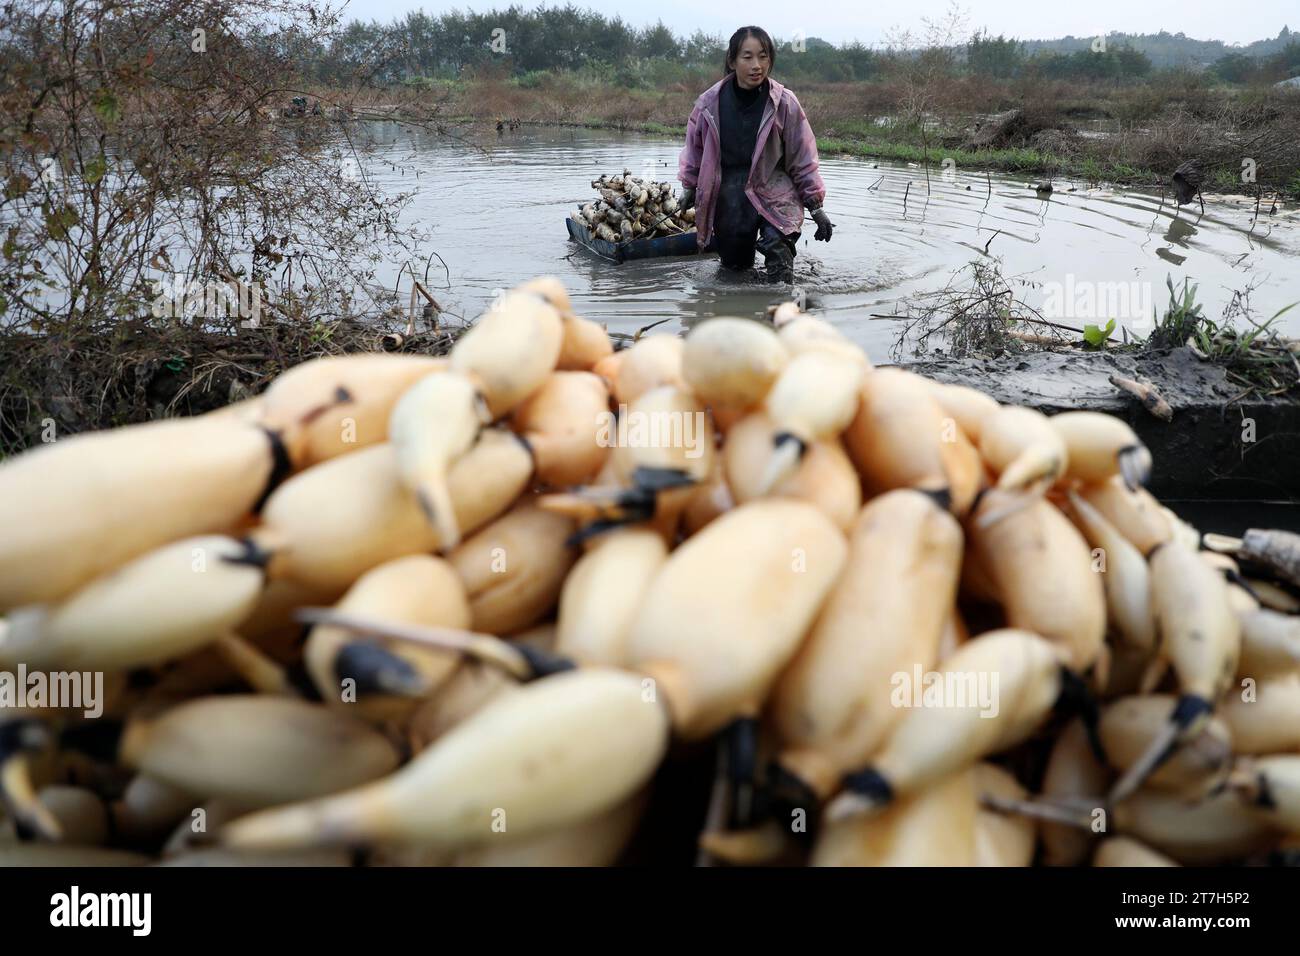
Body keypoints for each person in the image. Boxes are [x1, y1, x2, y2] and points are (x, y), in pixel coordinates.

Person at [678, 26, 833, 283]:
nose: (757, 65)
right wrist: (690, 188)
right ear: (732, 60)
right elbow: (695, 152)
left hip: (774, 189)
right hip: (729, 196)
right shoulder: (708, 104)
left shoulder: (784, 103)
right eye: (747, 57)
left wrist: (815, 207)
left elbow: (803, 158)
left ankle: (782, 310)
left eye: (763, 56)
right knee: (734, 272)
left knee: (777, 250)